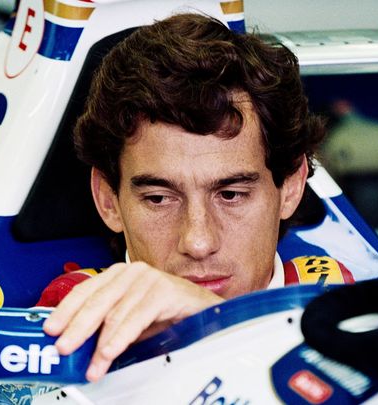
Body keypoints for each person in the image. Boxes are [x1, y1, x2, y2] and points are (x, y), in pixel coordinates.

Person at [41, 13, 327, 382]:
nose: (198, 241)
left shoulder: (345, 298)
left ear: (290, 186)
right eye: (159, 199)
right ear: (108, 199)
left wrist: (215, 322)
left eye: (231, 194)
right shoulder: (73, 319)